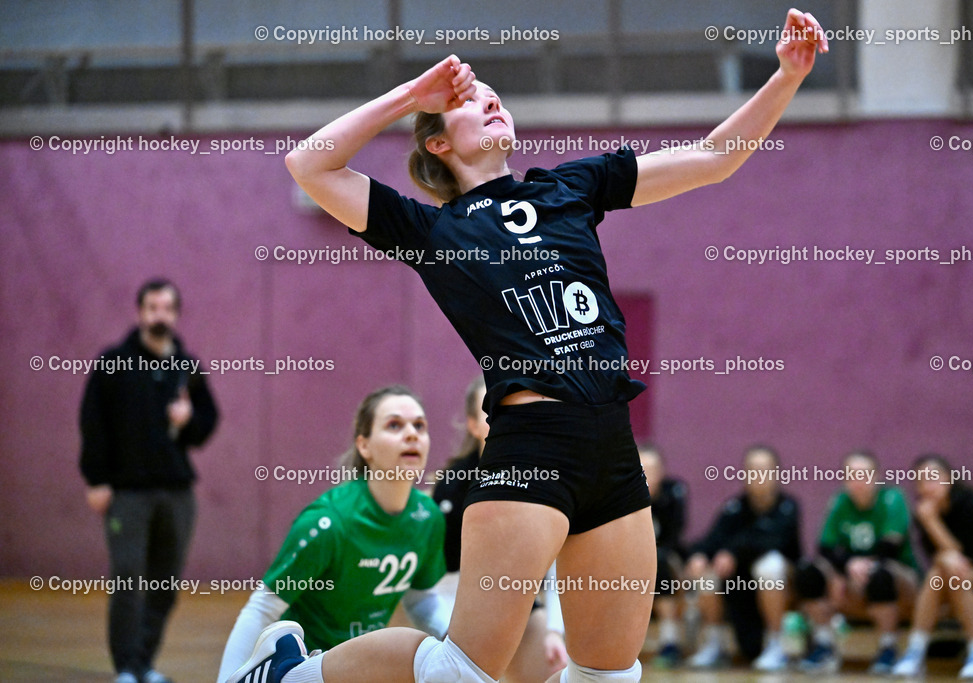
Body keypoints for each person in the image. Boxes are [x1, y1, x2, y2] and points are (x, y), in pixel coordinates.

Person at [229, 9, 827, 682]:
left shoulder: (569, 187)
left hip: (611, 443)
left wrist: (786, 76)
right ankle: (288, 673)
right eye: (466, 101)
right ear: (436, 145)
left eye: (493, 96)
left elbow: (712, 159)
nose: (489, 100)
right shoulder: (432, 232)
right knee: (460, 671)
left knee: (610, 672)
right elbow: (309, 164)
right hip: (533, 443)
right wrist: (408, 97)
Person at [218, 386, 450, 683]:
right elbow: (263, 606)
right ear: (364, 446)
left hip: (363, 665)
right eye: (394, 425)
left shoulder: (427, 517)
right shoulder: (329, 523)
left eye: (419, 425)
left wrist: (454, 644)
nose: (411, 434)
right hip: (302, 667)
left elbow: (421, 599)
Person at [79, 278, 219, 683]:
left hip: (177, 493)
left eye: (167, 308)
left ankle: (144, 664)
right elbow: (92, 423)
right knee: (127, 579)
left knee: (165, 584)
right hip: (126, 494)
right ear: (140, 312)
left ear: (176, 314)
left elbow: (208, 422)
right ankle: (125, 669)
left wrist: (188, 420)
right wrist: (96, 479)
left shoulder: (186, 367)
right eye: (153, 307)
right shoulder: (113, 363)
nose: (160, 315)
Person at [432, 376, 568, 682]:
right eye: (490, 411)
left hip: (518, 602)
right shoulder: (452, 488)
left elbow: (557, 567)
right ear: (472, 424)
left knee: (554, 665)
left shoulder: (543, 480)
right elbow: (434, 578)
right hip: (455, 608)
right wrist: (444, 628)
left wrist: (554, 632)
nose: (503, 419)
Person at [892, 454, 973, 679]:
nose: (928, 486)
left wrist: (933, 524)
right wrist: (940, 547)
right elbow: (940, 559)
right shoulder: (923, 515)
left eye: (934, 478)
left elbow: (964, 559)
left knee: (954, 573)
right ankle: (915, 651)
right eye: (921, 481)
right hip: (956, 593)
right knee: (941, 572)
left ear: (949, 479)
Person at [794, 450, 918, 674]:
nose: (858, 481)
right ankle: (824, 644)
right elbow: (826, 547)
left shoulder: (893, 498)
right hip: (852, 572)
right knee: (808, 573)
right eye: (851, 475)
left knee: (879, 575)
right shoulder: (841, 501)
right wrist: (848, 567)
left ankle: (888, 647)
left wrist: (860, 565)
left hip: (898, 574)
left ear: (877, 476)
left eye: (864, 475)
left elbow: (891, 546)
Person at [684, 445, 801, 672]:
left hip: (784, 585)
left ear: (776, 473)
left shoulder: (788, 506)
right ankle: (714, 643)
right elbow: (712, 539)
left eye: (764, 469)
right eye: (752, 470)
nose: (757, 475)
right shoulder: (735, 507)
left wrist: (733, 552)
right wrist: (699, 556)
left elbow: (771, 540)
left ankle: (776, 644)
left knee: (770, 564)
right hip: (740, 587)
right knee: (706, 572)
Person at [637, 446, 689, 668]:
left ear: (662, 471)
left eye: (652, 468)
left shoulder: (674, 493)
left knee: (661, 563)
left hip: (666, 555)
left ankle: (670, 641)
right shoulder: (623, 495)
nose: (647, 474)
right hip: (630, 558)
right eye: (642, 468)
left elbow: (674, 534)